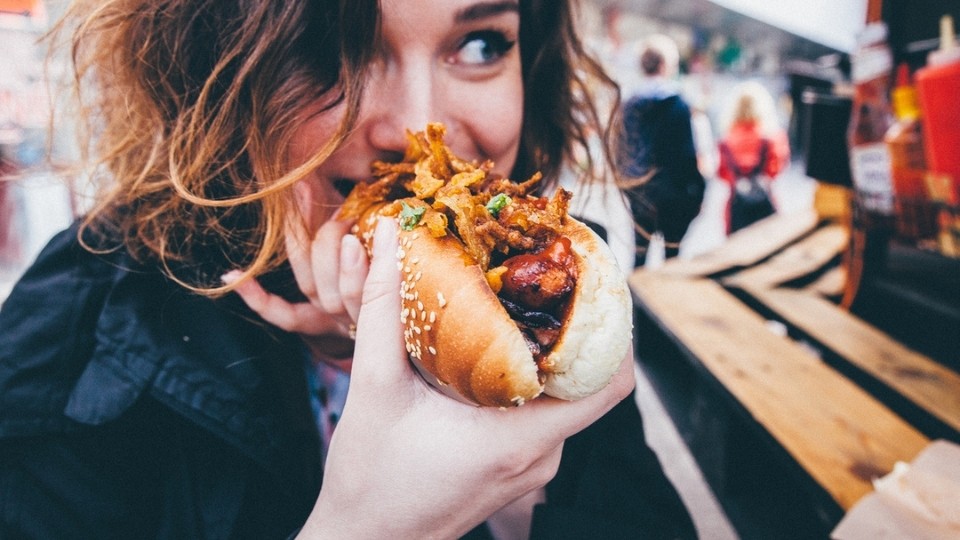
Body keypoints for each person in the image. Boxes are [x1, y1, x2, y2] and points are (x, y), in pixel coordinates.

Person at [0, 1, 697, 539]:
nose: (417, 126)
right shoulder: (72, 339)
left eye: (481, 45)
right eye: (328, 48)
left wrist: (511, 460)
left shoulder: (552, 297)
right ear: (206, 72)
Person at [615, 34, 705, 268]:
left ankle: (636, 304)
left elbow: (620, 149)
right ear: (666, 65)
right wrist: (698, 192)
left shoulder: (628, 104)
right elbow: (687, 155)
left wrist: (627, 185)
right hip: (673, 194)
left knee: (639, 256)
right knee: (671, 259)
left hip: (639, 192)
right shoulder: (678, 104)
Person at [716, 80, 791, 234]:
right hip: (766, 205)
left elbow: (722, 173)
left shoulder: (725, 140)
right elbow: (776, 169)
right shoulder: (773, 138)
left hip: (735, 208)